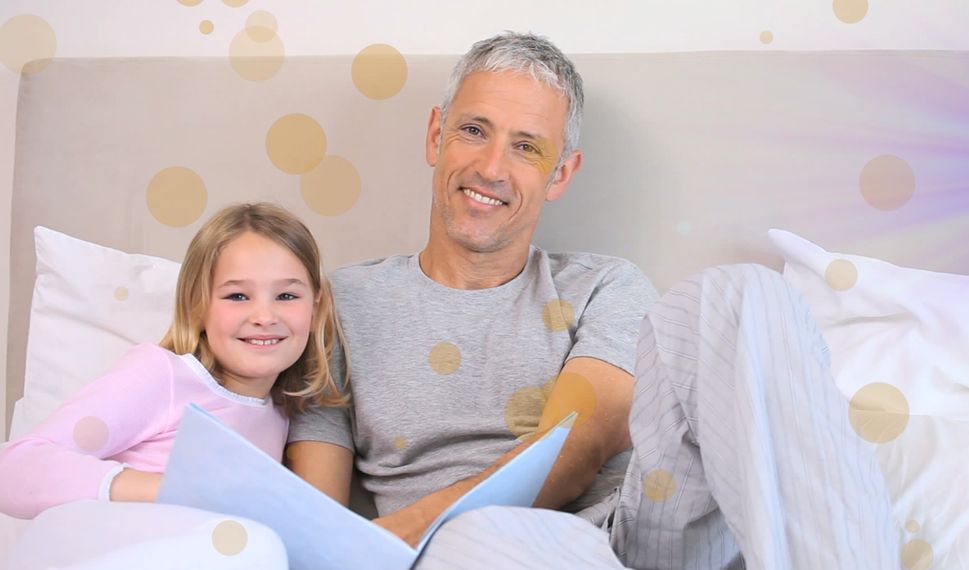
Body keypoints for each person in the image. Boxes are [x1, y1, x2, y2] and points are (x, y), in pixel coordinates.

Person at [287, 33, 899, 570]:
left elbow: (572, 451)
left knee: (739, 292)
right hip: (464, 553)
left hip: (632, 537)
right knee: (480, 537)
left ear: (561, 174)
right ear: (435, 135)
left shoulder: (603, 285)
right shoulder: (339, 303)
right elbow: (314, 519)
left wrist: (401, 531)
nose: (492, 167)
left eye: (528, 147)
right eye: (474, 130)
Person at [0, 202, 348, 568]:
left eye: (287, 296)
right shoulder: (163, 377)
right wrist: (169, 491)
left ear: (316, 309)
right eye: (237, 296)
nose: (264, 316)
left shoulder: (284, 414)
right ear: (198, 306)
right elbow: (12, 468)